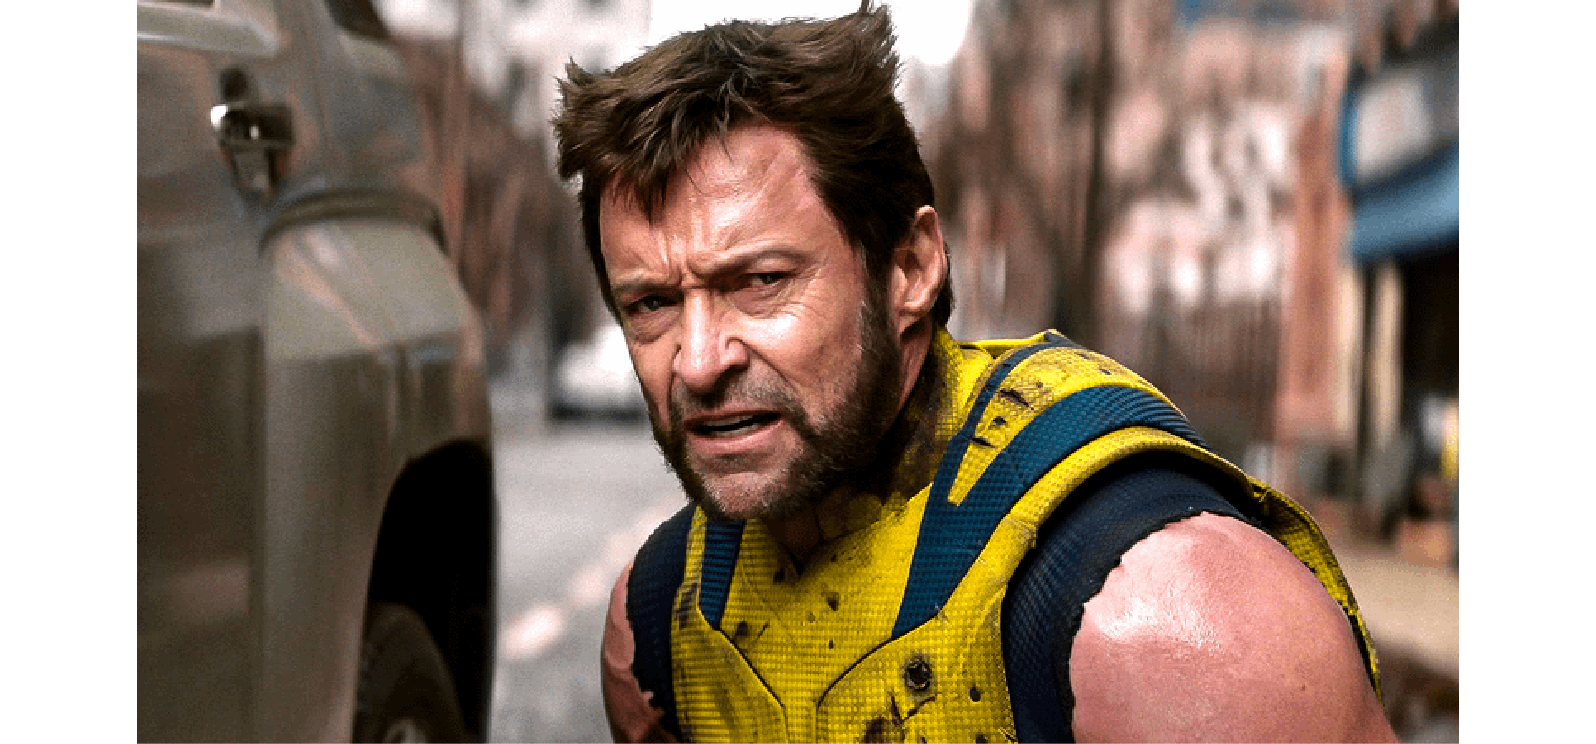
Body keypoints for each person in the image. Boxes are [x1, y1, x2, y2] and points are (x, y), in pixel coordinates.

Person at [552, 3, 1396, 741]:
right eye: (651, 303)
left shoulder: (1169, 619)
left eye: (762, 282)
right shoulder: (659, 631)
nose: (699, 362)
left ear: (910, 269)